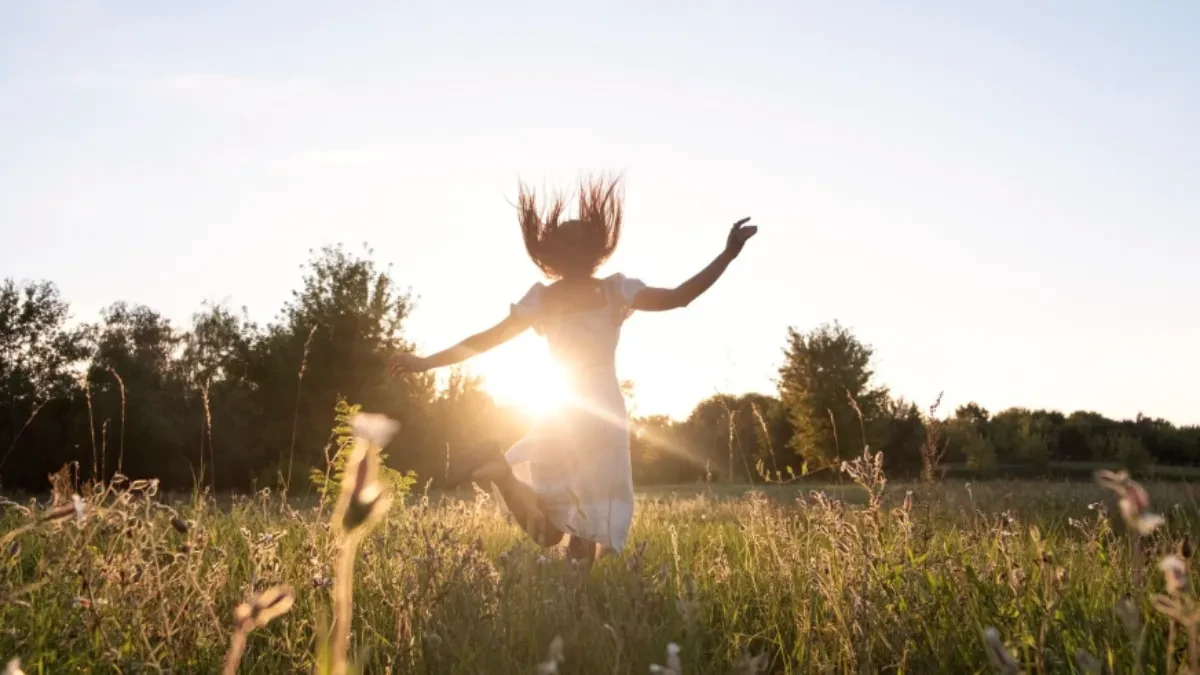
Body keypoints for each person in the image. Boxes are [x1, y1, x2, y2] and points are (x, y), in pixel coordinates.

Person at [389, 175, 757, 563]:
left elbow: (487, 339)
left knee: (553, 527)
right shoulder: (615, 291)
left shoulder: (542, 299)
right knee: (585, 520)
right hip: (601, 413)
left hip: (560, 412)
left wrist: (426, 362)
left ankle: (500, 472)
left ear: (552, 257)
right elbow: (681, 297)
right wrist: (727, 255)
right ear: (598, 251)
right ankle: (574, 595)